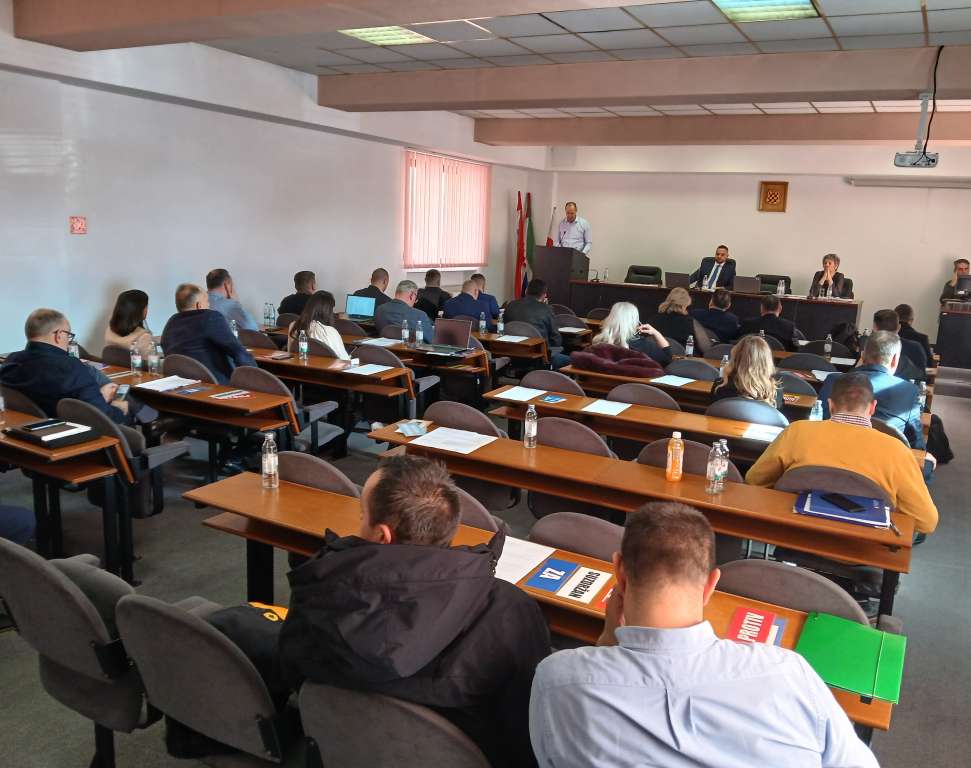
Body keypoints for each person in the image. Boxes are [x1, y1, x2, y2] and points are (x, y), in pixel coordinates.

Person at [529, 502, 879, 768]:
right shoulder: (789, 673)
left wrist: (607, 642)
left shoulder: (557, 680)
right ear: (712, 584)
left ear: (619, 572)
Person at [279, 455, 550, 768]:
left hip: (346, 751)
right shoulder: (510, 610)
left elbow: (295, 677)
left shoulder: (319, 593)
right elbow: (526, 728)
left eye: (362, 515)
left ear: (382, 535)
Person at [747, 372, 938, 533]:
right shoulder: (897, 451)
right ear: (872, 407)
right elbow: (926, 521)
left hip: (795, 532)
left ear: (830, 405)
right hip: (865, 546)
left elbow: (755, 479)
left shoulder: (796, 432)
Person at [0, 309, 129, 423]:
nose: (68, 340)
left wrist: (98, 396)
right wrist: (117, 406)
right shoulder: (71, 367)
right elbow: (105, 418)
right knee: (128, 408)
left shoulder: (10, 361)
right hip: (73, 434)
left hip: (23, 430)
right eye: (69, 335)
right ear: (59, 335)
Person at [818, 332, 924, 449]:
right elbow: (917, 445)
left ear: (862, 355)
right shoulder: (910, 391)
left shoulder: (834, 380)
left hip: (832, 449)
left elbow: (819, 422)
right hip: (884, 457)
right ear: (895, 360)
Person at [161, 283, 256, 384]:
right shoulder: (209, 317)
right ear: (199, 305)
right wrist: (255, 378)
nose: (209, 305)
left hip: (180, 385)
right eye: (207, 301)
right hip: (216, 385)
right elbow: (238, 351)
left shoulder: (171, 323)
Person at [711, 334, 784, 409]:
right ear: (767, 361)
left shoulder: (720, 385)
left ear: (735, 358)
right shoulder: (775, 390)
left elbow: (712, 411)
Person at [592, 302, 672, 366]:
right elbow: (667, 359)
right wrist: (656, 333)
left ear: (610, 318)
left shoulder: (598, 342)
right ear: (635, 321)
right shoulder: (643, 345)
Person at [504, 278, 563, 355]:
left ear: (526, 291)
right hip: (539, 355)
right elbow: (556, 340)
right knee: (568, 359)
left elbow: (504, 327)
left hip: (511, 352)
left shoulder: (511, 305)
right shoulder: (546, 309)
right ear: (544, 295)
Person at [288, 290, 349, 360]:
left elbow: (290, 352)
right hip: (327, 366)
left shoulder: (294, 325)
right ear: (328, 311)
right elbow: (344, 360)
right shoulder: (329, 331)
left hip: (299, 366)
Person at [872, 309, 927, 380]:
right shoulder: (916, 347)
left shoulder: (870, 347)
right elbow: (922, 378)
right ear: (899, 327)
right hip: (908, 386)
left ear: (874, 328)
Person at [894, 304, 936, 369]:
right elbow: (929, 364)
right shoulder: (922, 338)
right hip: (914, 374)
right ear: (911, 320)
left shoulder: (886, 337)